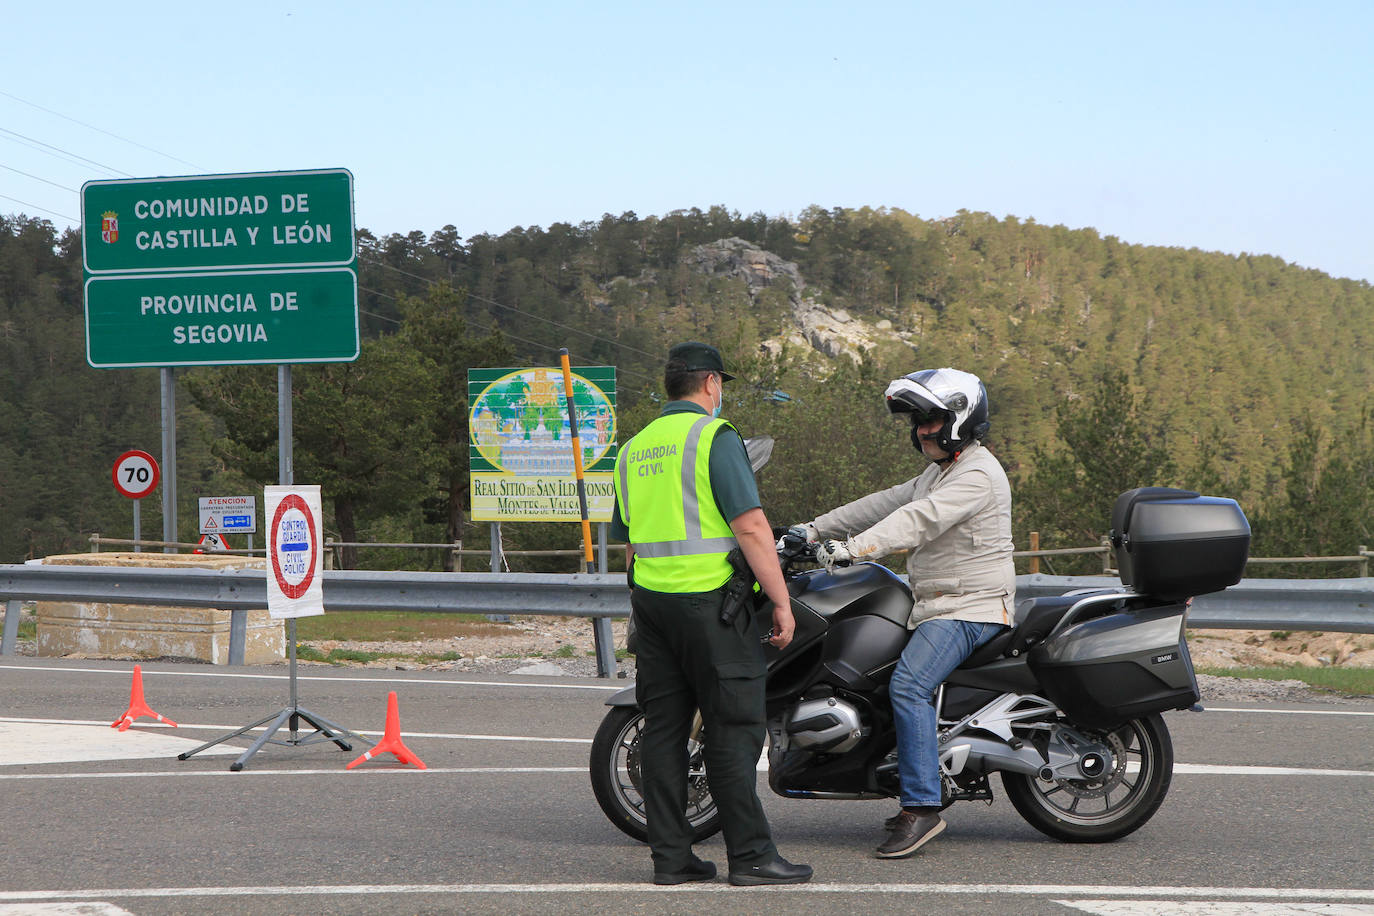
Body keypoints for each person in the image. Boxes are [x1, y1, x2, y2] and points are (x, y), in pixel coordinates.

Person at [611, 341, 813, 887]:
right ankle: (751, 858)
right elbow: (750, 527)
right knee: (733, 730)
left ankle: (671, 860)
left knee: (664, 733)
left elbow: (627, 545)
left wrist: (644, 607)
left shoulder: (633, 449)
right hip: (713, 609)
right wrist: (780, 601)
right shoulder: (713, 438)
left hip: (653, 609)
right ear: (710, 384)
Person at [804, 367, 1014, 859]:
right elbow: (883, 503)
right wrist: (811, 529)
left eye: (932, 420)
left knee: (909, 685)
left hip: (970, 607)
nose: (922, 430)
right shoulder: (939, 471)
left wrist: (852, 550)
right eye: (918, 422)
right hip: (938, 602)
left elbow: (917, 520)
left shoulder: (978, 474)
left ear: (961, 420)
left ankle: (921, 807)